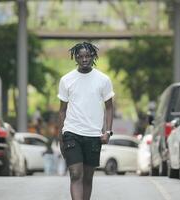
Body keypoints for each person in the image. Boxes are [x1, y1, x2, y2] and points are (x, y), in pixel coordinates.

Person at [58, 42, 114, 200]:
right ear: (75, 57)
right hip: (72, 133)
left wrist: (108, 132)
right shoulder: (66, 80)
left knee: (88, 178)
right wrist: (60, 137)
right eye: (80, 56)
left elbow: (109, 107)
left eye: (87, 56)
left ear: (93, 57)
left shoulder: (103, 80)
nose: (84, 59)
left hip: (93, 135)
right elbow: (62, 110)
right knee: (76, 174)